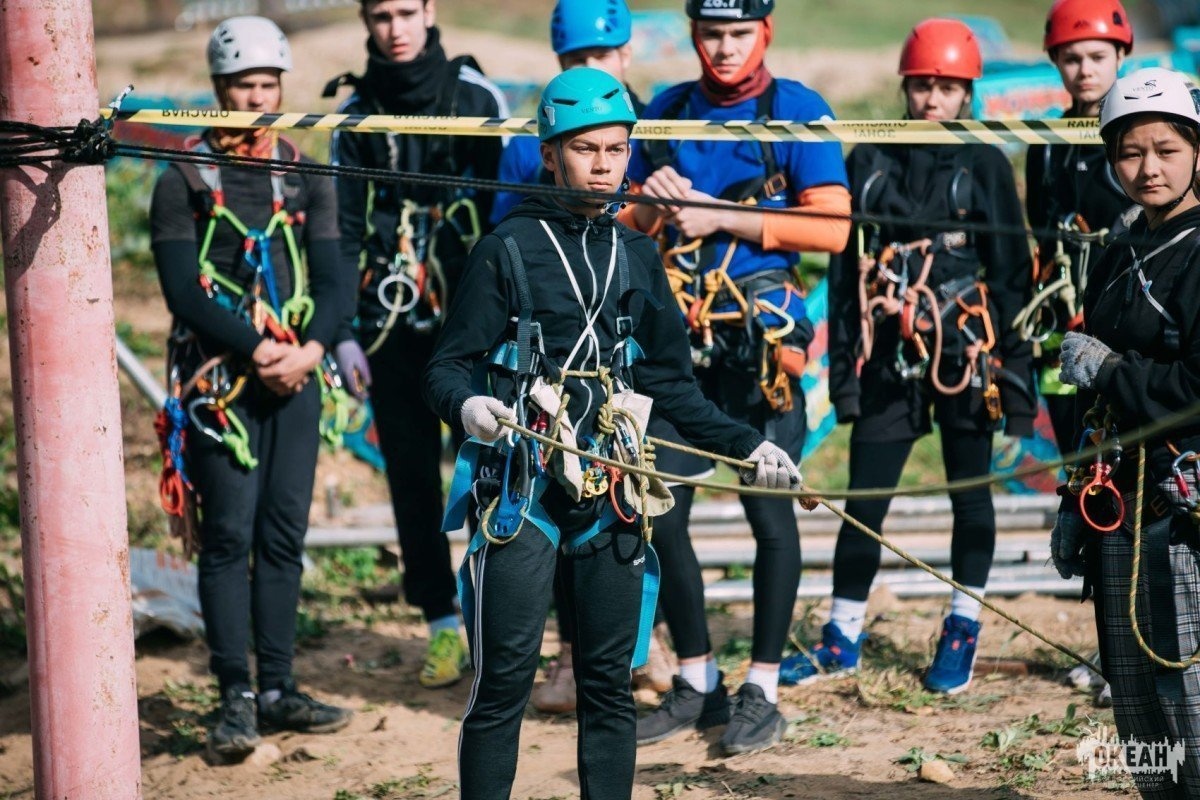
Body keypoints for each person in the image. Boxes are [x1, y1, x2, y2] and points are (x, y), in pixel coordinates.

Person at [424, 67, 802, 800]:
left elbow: (669, 384)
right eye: (585, 150)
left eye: (617, 150)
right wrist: (469, 408)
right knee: (503, 683)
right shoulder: (506, 249)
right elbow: (446, 368)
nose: (603, 166)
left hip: (611, 492)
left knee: (608, 684)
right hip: (521, 489)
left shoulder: (634, 256)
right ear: (549, 152)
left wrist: (747, 447)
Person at [780, 18, 1036, 695]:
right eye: (923, 86)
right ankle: (841, 634)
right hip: (889, 357)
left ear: (967, 94)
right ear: (905, 86)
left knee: (969, 497)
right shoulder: (869, 160)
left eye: (948, 88)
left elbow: (1012, 275)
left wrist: (1015, 383)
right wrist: (846, 382)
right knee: (865, 498)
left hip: (966, 352)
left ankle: (961, 628)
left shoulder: (983, 162)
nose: (932, 100)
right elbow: (843, 275)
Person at [622, 0, 852, 755]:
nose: (724, 49)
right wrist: (650, 209)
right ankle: (697, 680)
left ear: (766, 33)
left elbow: (834, 228)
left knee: (770, 518)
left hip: (760, 355)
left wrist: (724, 216)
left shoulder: (797, 111)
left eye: (738, 34)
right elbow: (624, 223)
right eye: (711, 34)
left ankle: (763, 685)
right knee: (662, 514)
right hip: (682, 348)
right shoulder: (666, 110)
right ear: (694, 35)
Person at [149, 16, 355, 757]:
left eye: (269, 84)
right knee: (228, 535)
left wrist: (312, 349)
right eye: (244, 86)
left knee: (282, 536)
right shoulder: (183, 178)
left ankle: (279, 687)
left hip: (295, 376)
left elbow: (334, 278)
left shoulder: (305, 169)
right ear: (218, 90)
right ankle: (234, 693)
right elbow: (182, 292)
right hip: (220, 384)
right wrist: (262, 346)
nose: (258, 98)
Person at [324, 0, 509, 689]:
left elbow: (505, 216)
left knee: (495, 469)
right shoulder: (352, 114)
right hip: (388, 321)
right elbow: (339, 230)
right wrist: (341, 333)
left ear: (431, 12)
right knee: (410, 475)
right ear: (366, 21)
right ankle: (440, 621)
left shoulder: (477, 96)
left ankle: (499, 619)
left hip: (472, 318)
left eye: (407, 10)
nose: (395, 28)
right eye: (381, 15)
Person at [1051, 66, 1200, 799]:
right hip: (1116, 498)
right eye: (1131, 152)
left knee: (1187, 691)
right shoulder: (1116, 253)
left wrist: (1113, 371)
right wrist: (1070, 493)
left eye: (1166, 149)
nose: (1148, 168)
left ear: (1197, 151)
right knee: (1131, 691)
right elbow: (1087, 396)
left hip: (1184, 509)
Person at [1024, 0, 1134, 456]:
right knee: (1076, 464)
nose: (1084, 70)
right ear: (1055, 62)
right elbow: (1040, 229)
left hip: (1124, 328)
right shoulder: (1046, 144)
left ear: (1120, 57)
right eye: (1071, 58)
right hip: (1060, 326)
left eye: (1096, 57)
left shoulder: (1137, 135)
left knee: (1125, 461)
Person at [490, 0, 642, 225]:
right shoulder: (524, 146)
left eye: (602, 56)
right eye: (578, 59)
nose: (591, 67)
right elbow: (504, 233)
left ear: (626, 55)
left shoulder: (660, 133)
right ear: (561, 61)